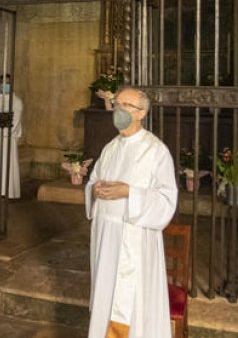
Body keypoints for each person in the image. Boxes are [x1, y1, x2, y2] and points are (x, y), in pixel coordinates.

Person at [84, 86, 178, 338]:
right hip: (106, 238)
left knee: (133, 304)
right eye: (117, 104)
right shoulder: (111, 147)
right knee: (106, 296)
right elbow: (94, 180)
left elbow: (166, 200)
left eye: (126, 105)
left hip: (134, 242)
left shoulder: (155, 150)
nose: (119, 110)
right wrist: (95, 190)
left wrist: (128, 192)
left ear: (140, 114)